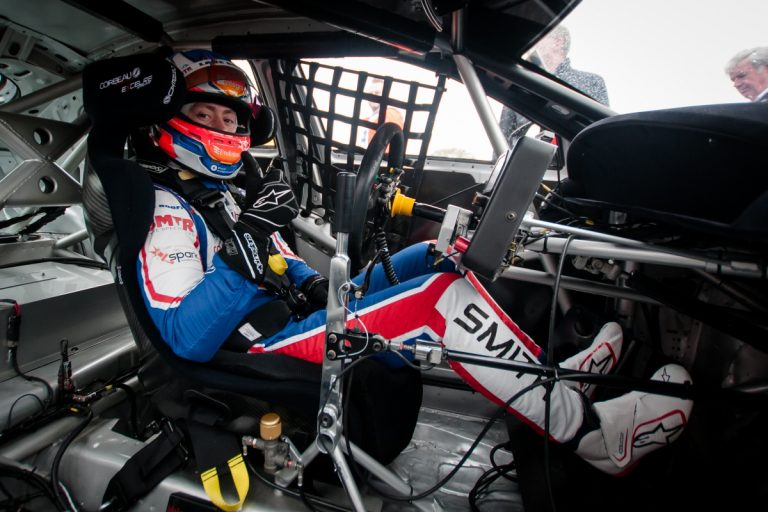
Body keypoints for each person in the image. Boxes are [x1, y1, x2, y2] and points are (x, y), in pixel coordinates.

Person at [136, 49, 693, 477]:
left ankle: (554, 377)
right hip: (255, 347)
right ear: (169, 119)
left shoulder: (226, 187)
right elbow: (187, 338)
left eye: (230, 119)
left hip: (290, 316)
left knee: (432, 257)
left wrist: (308, 285)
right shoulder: (165, 208)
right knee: (435, 300)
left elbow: (276, 260)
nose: (222, 127)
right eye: (202, 113)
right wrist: (254, 238)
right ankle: (592, 435)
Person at [499, 25, 609, 147]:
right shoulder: (520, 83)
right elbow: (503, 137)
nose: (533, 42)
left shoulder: (591, 81)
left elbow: (602, 132)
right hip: (527, 161)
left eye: (540, 37)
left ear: (558, 42)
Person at [361, 77, 404, 145]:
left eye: (377, 93)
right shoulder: (369, 119)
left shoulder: (391, 114)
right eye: (370, 93)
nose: (373, 96)